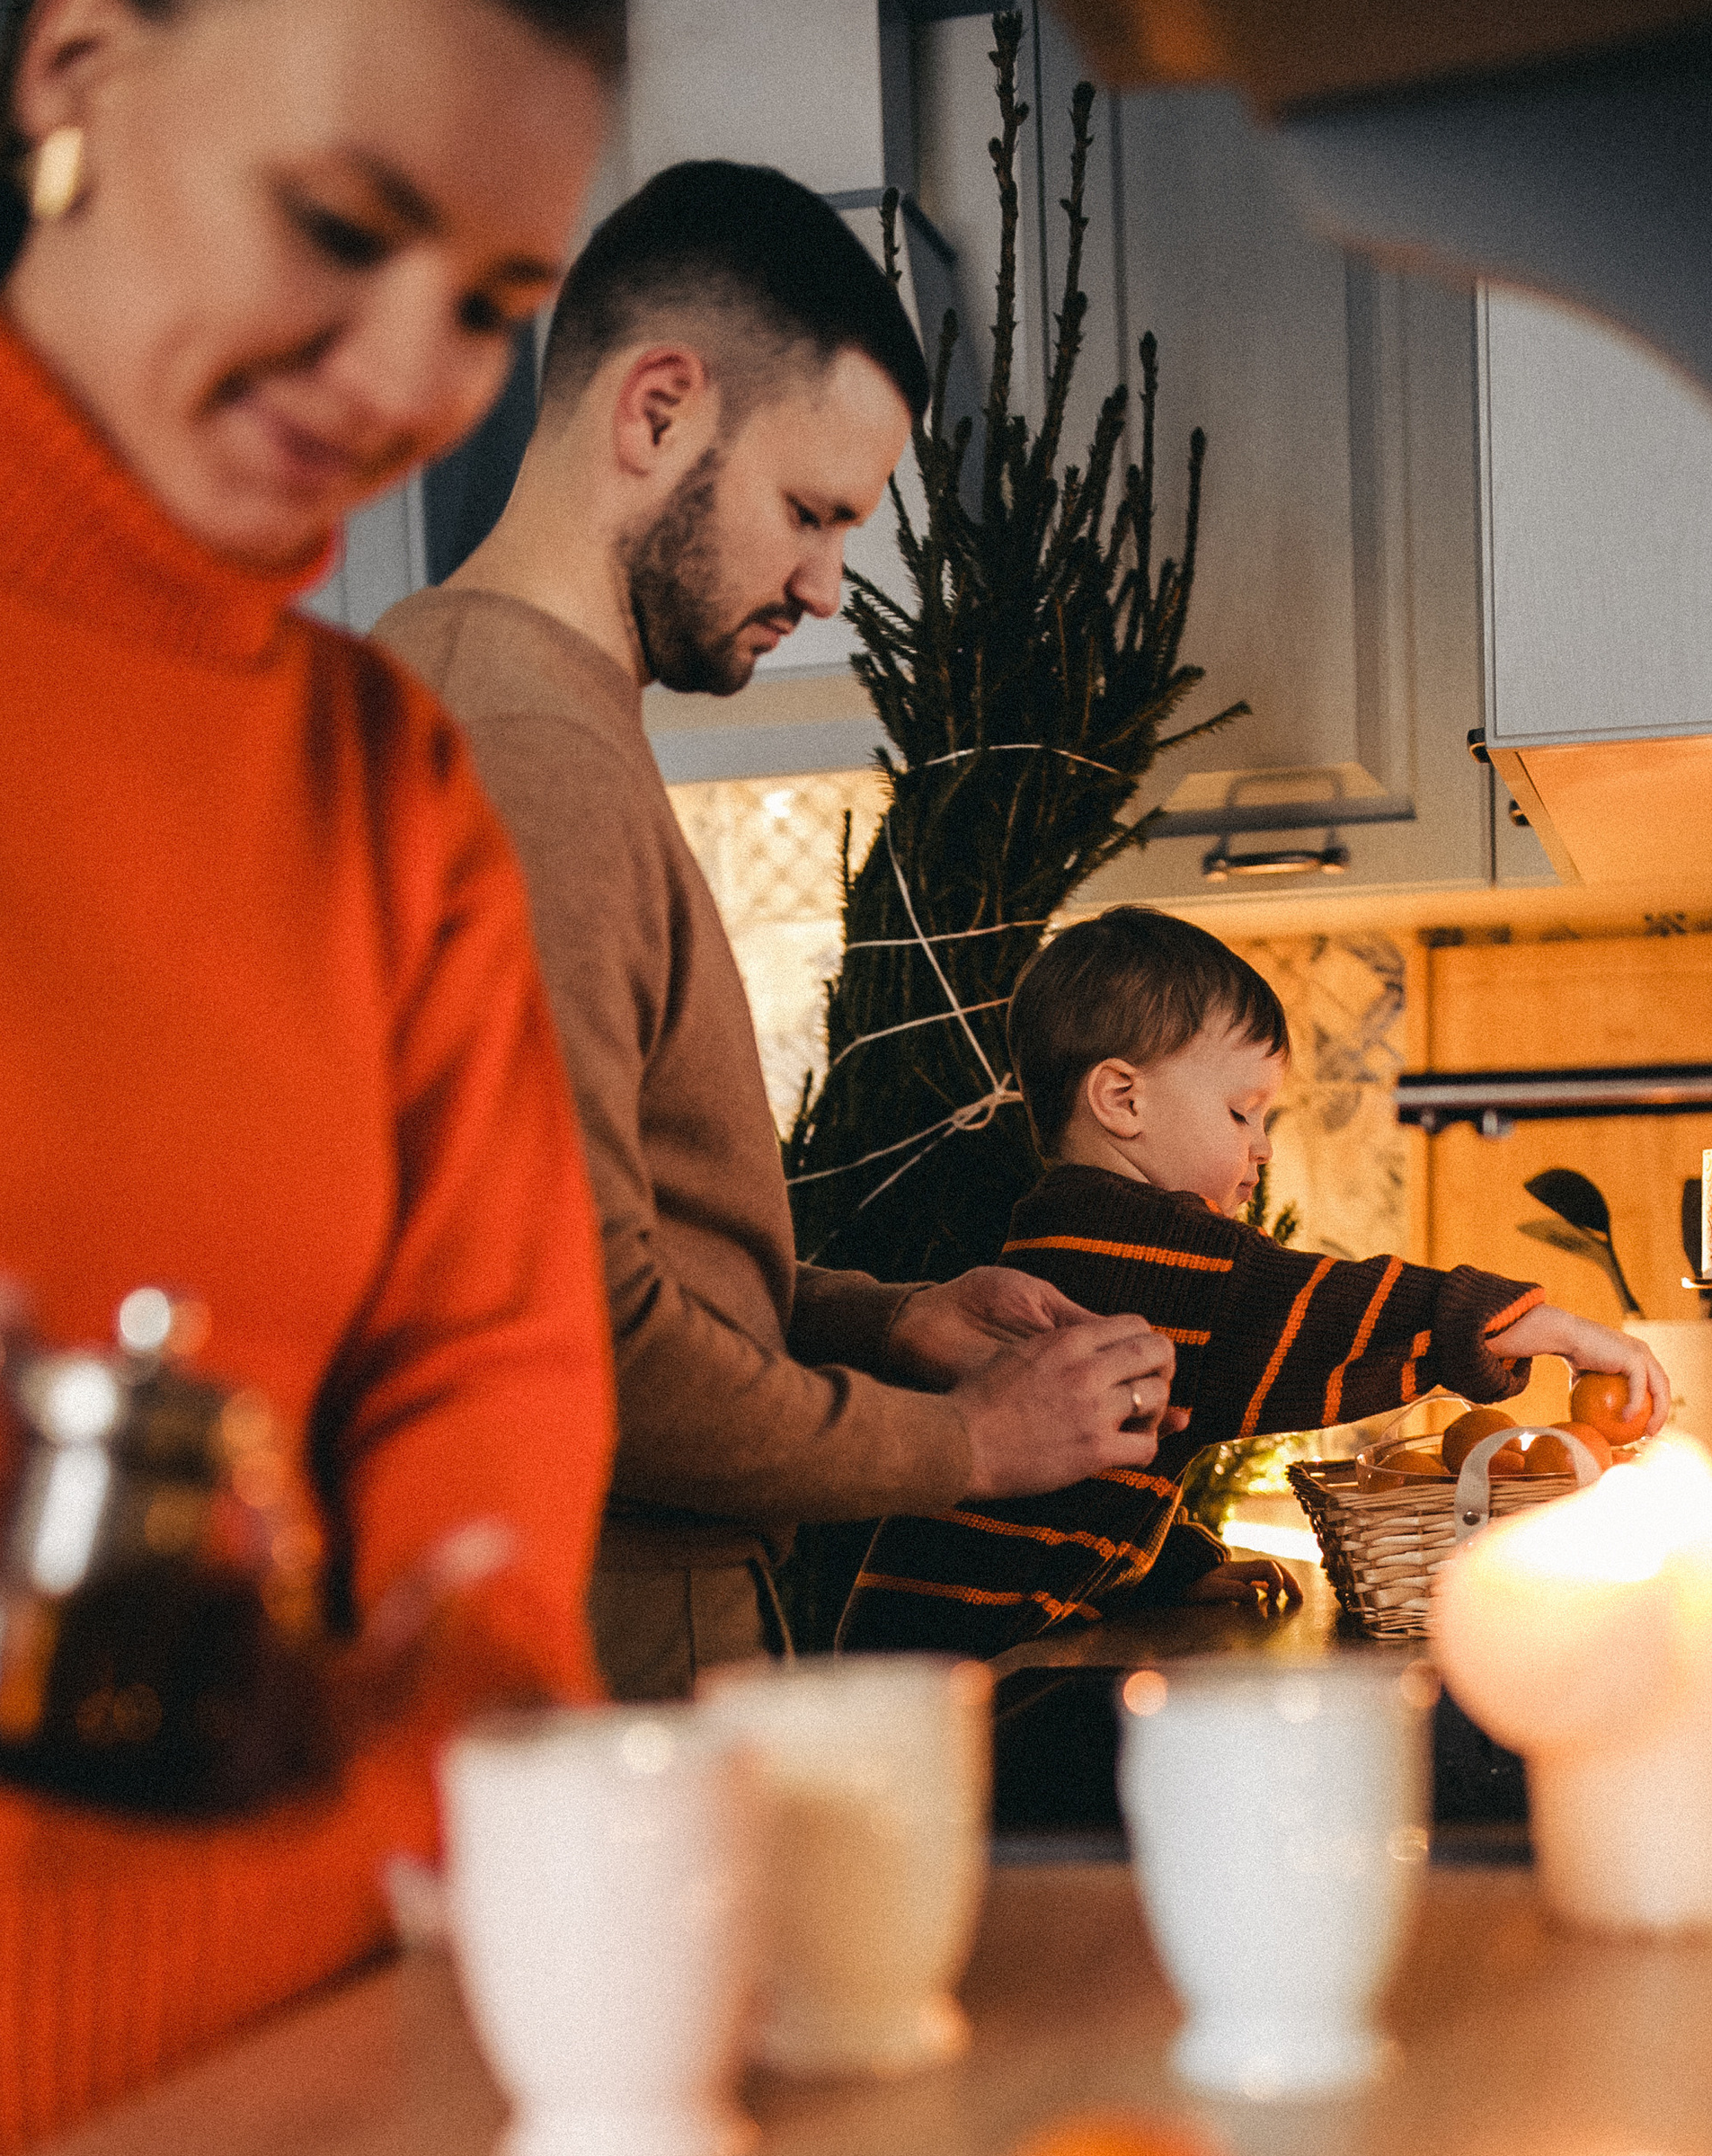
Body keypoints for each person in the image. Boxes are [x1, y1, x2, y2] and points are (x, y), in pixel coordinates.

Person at [0, 0, 626, 2156]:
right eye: (341, 226)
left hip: (292, 2149)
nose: (415, 374)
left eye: (499, 307)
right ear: (78, 71)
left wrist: (477, 1731)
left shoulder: (384, 790)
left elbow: (480, 1372)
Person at [375, 161, 1181, 1701]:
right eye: (809, 514)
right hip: (615, 1641)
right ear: (658, 409)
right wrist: (977, 1443)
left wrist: (891, 1322)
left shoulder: (468, 693)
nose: (825, 586)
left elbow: (584, 1244)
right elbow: (585, 1340)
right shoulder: (526, 757)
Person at [840, 908, 1672, 1652]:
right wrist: (1557, 1329)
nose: (1263, 1147)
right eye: (1243, 1113)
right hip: (982, 1668)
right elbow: (1338, 1313)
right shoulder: (1165, 1253)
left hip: (924, 1653)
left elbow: (1088, 1483)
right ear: (1122, 1101)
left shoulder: (1066, 1231)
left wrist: (1175, 1567)